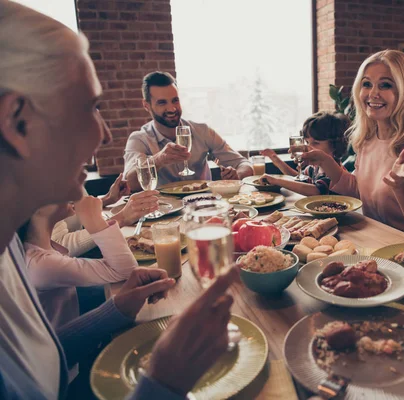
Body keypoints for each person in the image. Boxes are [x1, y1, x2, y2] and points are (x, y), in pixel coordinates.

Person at [0, 2, 237, 399]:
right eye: (91, 107)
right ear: (17, 122)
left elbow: (44, 358)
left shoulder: (9, 252)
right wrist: (163, 383)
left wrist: (117, 309)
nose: (105, 134)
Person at [301, 50, 404, 231]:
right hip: (372, 238)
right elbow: (357, 190)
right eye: (367, 84)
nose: (373, 93)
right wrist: (325, 160)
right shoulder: (368, 136)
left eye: (385, 85)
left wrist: (400, 187)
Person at [123, 72, 253, 190]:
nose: (172, 109)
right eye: (162, 103)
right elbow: (129, 183)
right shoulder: (139, 139)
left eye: (175, 100)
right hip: (164, 209)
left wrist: (237, 176)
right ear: (146, 106)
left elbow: (244, 164)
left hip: (204, 207)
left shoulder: (202, 131)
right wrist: (159, 160)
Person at [22, 196, 138, 329]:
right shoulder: (42, 264)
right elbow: (127, 270)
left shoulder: (41, 248)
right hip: (70, 346)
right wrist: (94, 220)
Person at [52, 175, 159, 257]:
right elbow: (60, 245)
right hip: (67, 272)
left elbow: (69, 208)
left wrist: (108, 199)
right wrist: (121, 219)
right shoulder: (44, 179)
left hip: (82, 255)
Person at [260, 111, 350, 196]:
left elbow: (316, 191)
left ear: (334, 144)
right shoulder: (314, 167)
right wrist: (275, 159)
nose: (308, 147)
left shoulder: (335, 170)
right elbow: (297, 178)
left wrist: (277, 181)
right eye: (307, 142)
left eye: (316, 143)